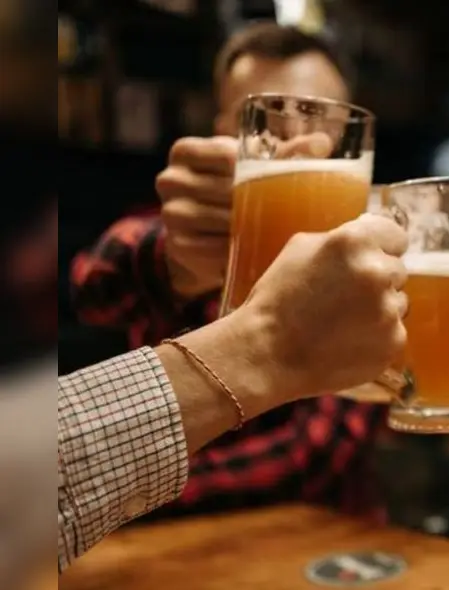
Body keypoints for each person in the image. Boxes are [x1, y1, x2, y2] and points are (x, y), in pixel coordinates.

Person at [67, 23, 382, 518]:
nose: (298, 146)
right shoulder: (181, 233)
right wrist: (178, 263)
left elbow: (315, 453)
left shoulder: (375, 261)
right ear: (222, 135)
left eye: (321, 127)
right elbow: (94, 284)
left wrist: (118, 490)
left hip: (329, 545)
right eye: (268, 125)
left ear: (353, 148)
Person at [58, 214, 409, 573]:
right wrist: (261, 339)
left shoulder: (366, 269)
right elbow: (90, 286)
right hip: (159, 560)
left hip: (322, 554)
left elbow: (316, 451)